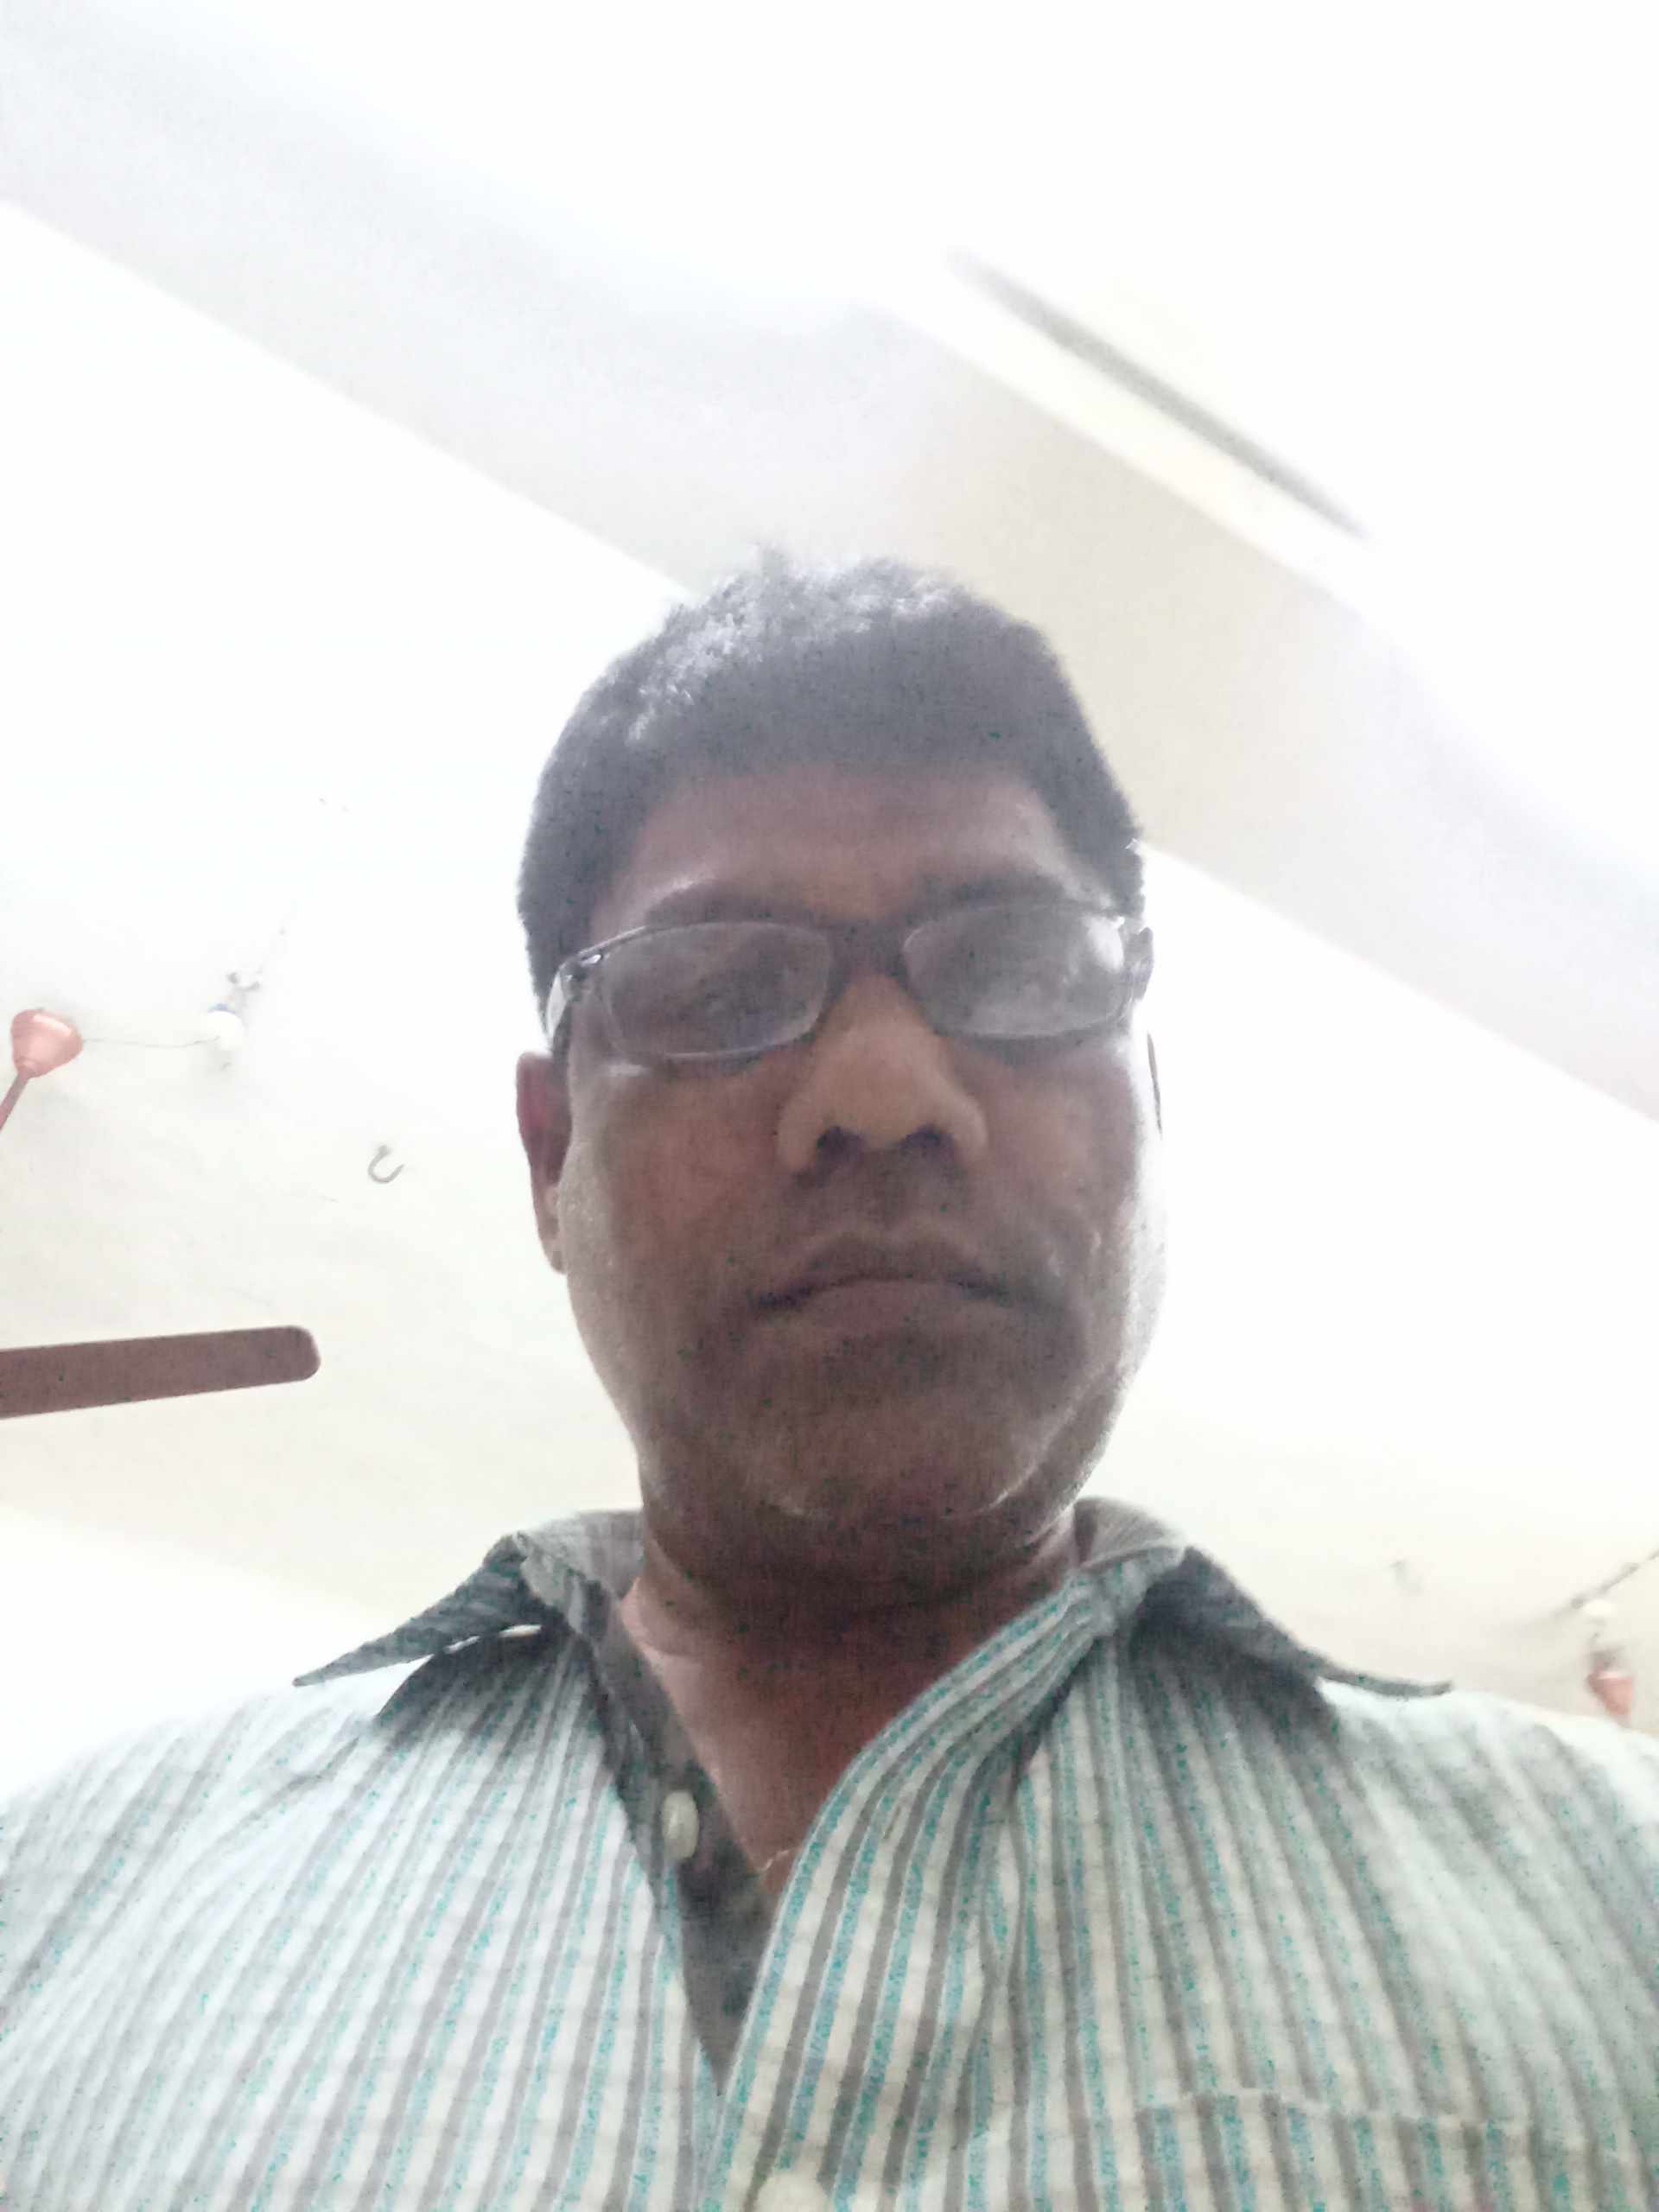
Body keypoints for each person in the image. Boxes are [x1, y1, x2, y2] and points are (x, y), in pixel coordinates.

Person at [1, 556, 1654, 2212]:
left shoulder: (1615, 1888)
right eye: (720, 993)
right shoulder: (64, 1896)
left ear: (1147, 1099)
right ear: (552, 1156)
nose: (881, 1093)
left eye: (1017, 969)